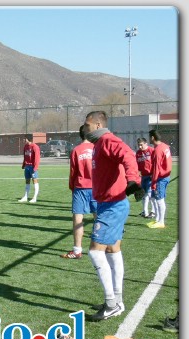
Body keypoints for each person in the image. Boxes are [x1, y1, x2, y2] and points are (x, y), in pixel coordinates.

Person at [82, 111, 141, 321]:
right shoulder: (99, 144)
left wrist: (133, 180)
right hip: (110, 204)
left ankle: (111, 304)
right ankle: (117, 300)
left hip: (112, 206)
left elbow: (127, 154)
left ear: (98, 124)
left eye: (88, 124)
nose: (85, 128)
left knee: (95, 252)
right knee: (112, 249)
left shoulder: (108, 140)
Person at [61, 125, 97, 259]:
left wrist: (72, 187)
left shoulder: (76, 150)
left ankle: (77, 250)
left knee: (77, 218)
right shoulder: (96, 149)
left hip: (80, 188)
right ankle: (103, 248)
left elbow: (73, 173)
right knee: (98, 217)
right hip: (96, 188)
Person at [147, 129, 172, 229]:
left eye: (150, 137)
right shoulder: (164, 146)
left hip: (161, 178)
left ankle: (161, 222)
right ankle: (158, 219)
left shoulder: (158, 150)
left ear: (152, 137)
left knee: (160, 200)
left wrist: (153, 182)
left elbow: (157, 168)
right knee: (155, 198)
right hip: (165, 176)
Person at [135, 138, 156, 219]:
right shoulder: (138, 153)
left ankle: (153, 211)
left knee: (149, 194)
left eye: (141, 144)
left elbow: (155, 163)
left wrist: (153, 174)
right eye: (139, 145)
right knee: (144, 194)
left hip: (150, 176)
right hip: (142, 176)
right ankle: (145, 211)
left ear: (146, 143)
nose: (140, 146)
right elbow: (137, 165)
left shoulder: (151, 151)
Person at [19, 134, 40, 203]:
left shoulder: (35, 147)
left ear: (28, 139)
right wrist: (24, 164)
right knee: (27, 181)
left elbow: (37, 158)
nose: (23, 140)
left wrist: (35, 167)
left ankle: (34, 197)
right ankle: (25, 196)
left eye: (24, 138)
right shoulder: (25, 147)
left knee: (35, 181)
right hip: (27, 167)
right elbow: (25, 156)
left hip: (32, 167)